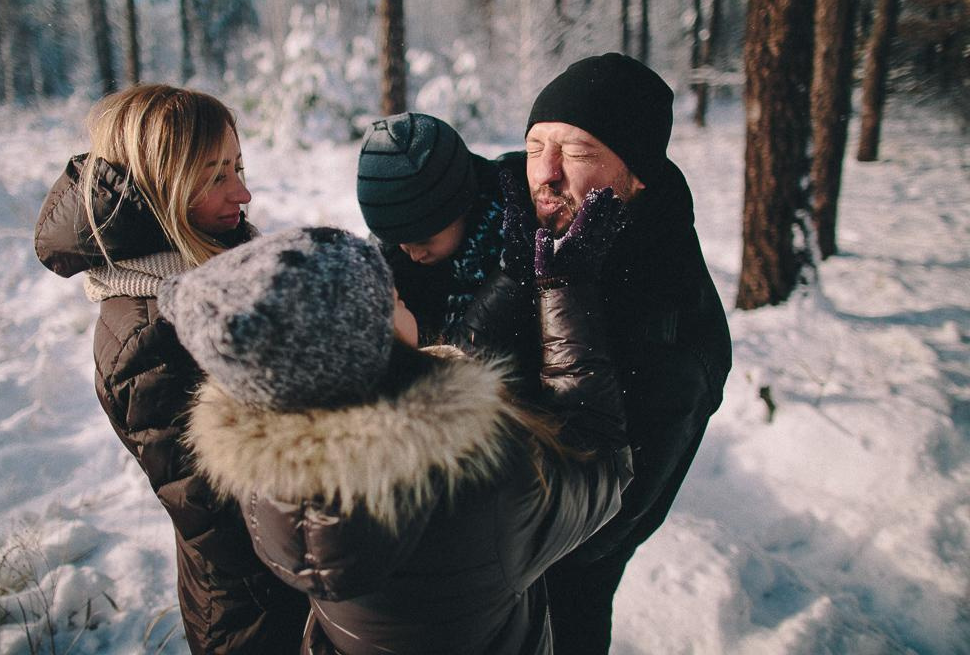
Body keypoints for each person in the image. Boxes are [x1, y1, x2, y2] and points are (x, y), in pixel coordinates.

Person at [158, 225, 634, 655]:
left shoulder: (270, 472)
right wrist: (564, 289)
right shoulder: (479, 481)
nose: (401, 294)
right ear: (368, 347)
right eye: (391, 300)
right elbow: (604, 466)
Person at [33, 84, 309, 654]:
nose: (244, 192)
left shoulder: (214, 265)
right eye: (215, 177)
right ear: (163, 186)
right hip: (256, 608)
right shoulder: (148, 337)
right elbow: (220, 509)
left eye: (238, 166)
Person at [488, 53, 733, 652]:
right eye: (534, 145)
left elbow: (596, 527)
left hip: (558, 591)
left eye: (576, 153)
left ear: (637, 174)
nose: (544, 173)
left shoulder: (671, 329)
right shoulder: (548, 232)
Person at [356, 112, 509, 347]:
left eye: (425, 240)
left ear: (463, 206)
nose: (415, 254)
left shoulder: (516, 244)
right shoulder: (385, 267)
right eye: (401, 242)